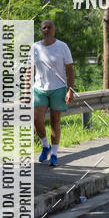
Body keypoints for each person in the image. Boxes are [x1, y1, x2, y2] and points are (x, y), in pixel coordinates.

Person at [27, 20, 74, 167]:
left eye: (49, 27)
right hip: (39, 88)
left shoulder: (62, 46)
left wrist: (70, 90)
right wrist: (26, 91)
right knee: (36, 120)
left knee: (55, 122)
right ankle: (45, 145)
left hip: (58, 88)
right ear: (41, 30)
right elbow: (29, 70)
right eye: (44, 28)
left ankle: (54, 154)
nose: (46, 30)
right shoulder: (35, 47)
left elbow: (70, 70)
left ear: (54, 29)